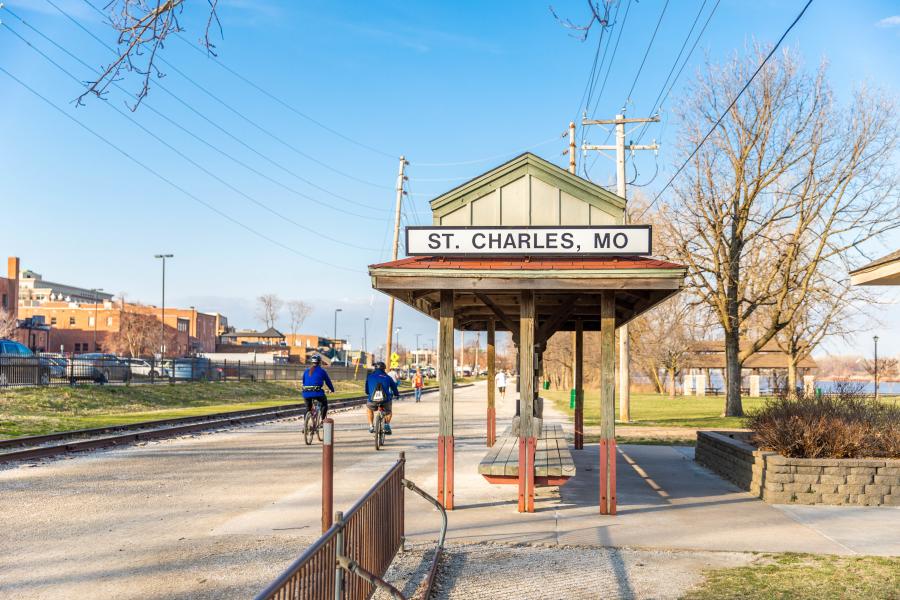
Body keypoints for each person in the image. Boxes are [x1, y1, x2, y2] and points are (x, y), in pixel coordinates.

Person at [366, 361, 399, 434]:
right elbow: (394, 388)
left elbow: (366, 390)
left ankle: (371, 426)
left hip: (372, 400)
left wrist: (370, 393)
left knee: (369, 409)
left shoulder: (370, 376)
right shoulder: (388, 377)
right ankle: (387, 424)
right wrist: (396, 394)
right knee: (389, 412)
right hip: (385, 400)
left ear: (375, 369)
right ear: (384, 369)